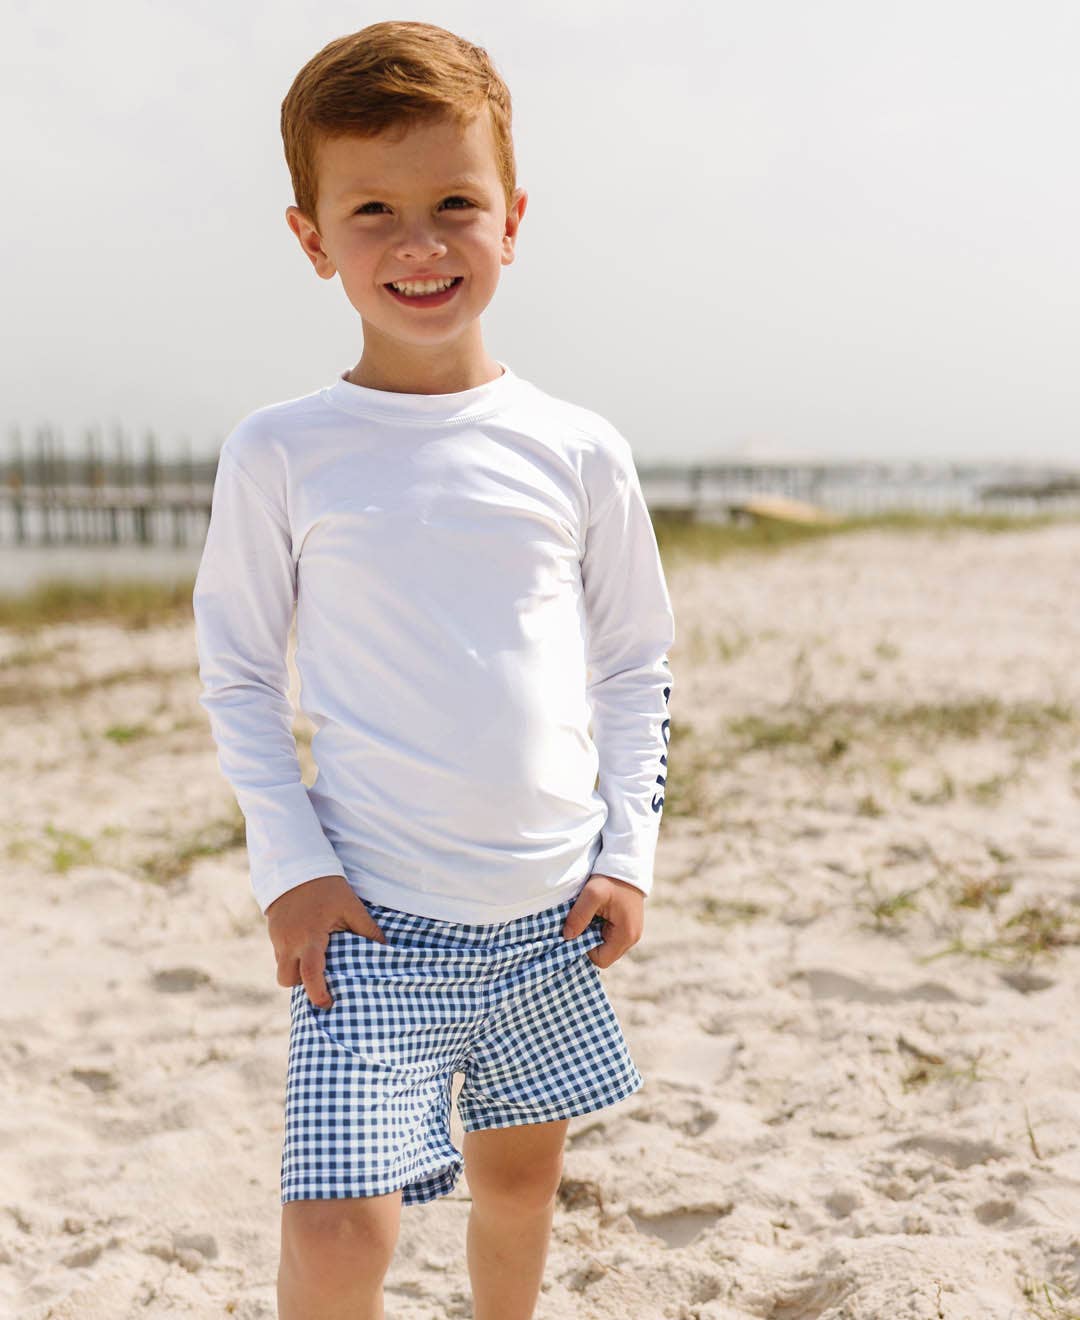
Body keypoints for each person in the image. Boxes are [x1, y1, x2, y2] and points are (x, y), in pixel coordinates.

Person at [191, 19, 675, 1320]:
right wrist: (291, 870)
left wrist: (626, 848)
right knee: (341, 1229)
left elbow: (635, 664)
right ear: (312, 238)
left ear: (513, 219)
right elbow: (239, 674)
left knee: (519, 1186)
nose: (419, 244)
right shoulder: (283, 452)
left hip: (547, 911)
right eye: (374, 211)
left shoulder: (576, 451)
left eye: (455, 204)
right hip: (368, 924)